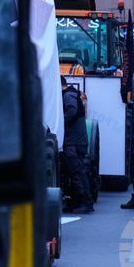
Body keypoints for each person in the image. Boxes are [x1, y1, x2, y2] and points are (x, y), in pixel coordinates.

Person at [60, 76, 95, 214]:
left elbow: (72, 111)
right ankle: (77, 203)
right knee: (74, 172)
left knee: (77, 172)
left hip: (73, 141)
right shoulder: (71, 94)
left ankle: (86, 202)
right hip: (75, 140)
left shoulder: (67, 95)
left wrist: (58, 121)